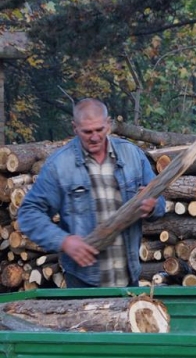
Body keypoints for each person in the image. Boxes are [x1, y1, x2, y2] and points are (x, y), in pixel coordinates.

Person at [18, 98, 166, 288]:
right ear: (75, 127)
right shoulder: (60, 166)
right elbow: (29, 214)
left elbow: (159, 201)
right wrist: (65, 241)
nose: (95, 137)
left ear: (108, 124)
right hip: (83, 283)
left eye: (99, 129)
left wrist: (153, 207)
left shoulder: (132, 155)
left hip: (128, 279)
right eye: (87, 132)